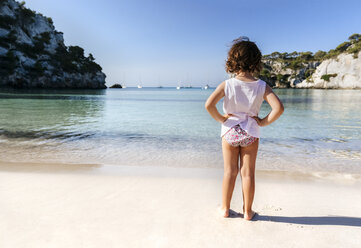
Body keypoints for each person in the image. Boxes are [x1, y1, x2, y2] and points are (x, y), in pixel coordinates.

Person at [205, 36, 284, 221]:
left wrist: (221, 119)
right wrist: (263, 122)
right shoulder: (262, 86)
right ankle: (248, 212)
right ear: (256, 61)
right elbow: (279, 109)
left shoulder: (227, 84)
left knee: (229, 171)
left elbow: (209, 105)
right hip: (251, 132)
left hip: (230, 131)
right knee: (247, 173)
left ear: (232, 60)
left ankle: (225, 208)